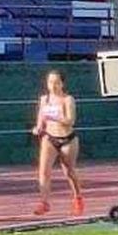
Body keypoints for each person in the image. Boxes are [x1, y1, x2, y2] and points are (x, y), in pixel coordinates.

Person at [29, 70, 85, 217]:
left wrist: (57, 117)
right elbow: (41, 118)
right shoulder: (44, 99)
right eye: (50, 82)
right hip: (50, 138)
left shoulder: (68, 100)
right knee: (44, 171)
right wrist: (38, 128)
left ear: (62, 84)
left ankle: (78, 197)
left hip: (67, 139)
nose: (53, 86)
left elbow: (70, 121)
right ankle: (44, 202)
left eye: (56, 82)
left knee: (69, 171)